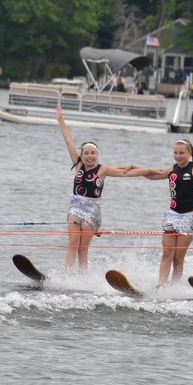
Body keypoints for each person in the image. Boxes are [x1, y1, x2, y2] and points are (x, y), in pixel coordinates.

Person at [125, 137, 193, 287]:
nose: (178, 156)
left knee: (178, 258)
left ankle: (174, 287)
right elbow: (151, 175)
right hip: (172, 215)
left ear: (189, 153)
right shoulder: (172, 169)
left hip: (189, 217)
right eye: (175, 152)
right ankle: (161, 285)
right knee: (167, 252)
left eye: (181, 153)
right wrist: (134, 167)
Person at [54, 101, 138, 274]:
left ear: (98, 155)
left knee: (82, 249)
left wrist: (149, 171)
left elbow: (125, 173)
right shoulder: (78, 165)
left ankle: (83, 278)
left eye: (93, 153)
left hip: (93, 210)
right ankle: (68, 276)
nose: (89, 156)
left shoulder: (103, 170)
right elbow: (69, 141)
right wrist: (61, 119)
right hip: (76, 207)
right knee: (72, 243)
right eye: (86, 153)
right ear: (82, 155)